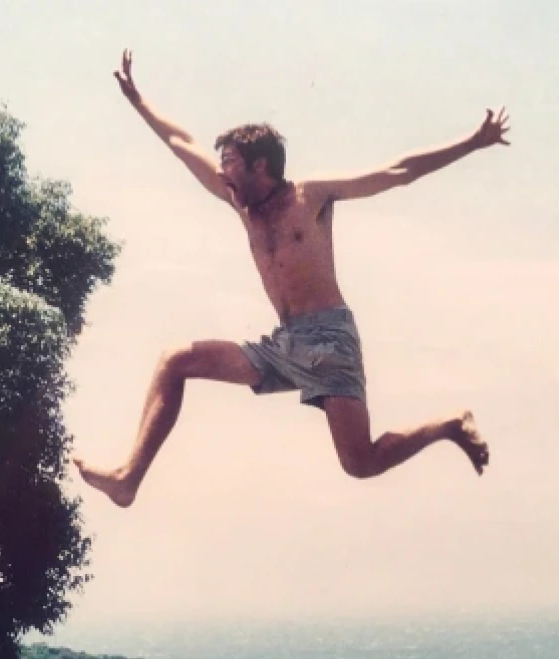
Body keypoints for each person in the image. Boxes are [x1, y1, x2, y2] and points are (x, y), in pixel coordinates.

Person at [74, 49, 508, 508]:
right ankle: (128, 478)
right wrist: (140, 102)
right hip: (283, 344)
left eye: (231, 163)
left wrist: (472, 142)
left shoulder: (312, 197)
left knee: (359, 463)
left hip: (329, 341)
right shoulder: (242, 207)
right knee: (175, 360)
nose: (222, 173)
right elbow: (181, 143)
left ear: (260, 166)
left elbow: (397, 171)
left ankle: (448, 426)